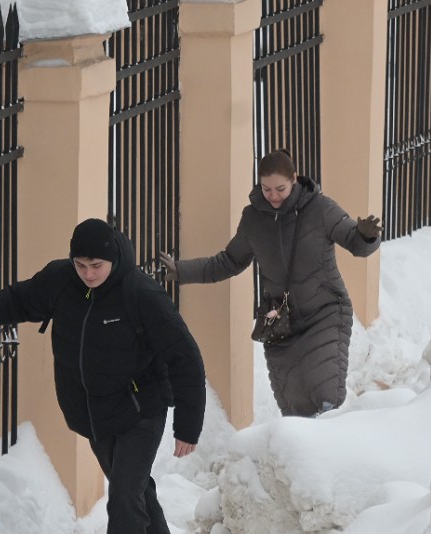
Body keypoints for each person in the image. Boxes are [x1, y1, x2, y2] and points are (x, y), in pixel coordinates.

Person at [0, 218, 205, 534]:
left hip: (141, 410)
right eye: (81, 265)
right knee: (135, 494)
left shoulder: (140, 293)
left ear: (113, 259)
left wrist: (188, 426)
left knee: (123, 497)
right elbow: (19, 300)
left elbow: (185, 356)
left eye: (96, 266)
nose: (88, 274)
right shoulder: (61, 280)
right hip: (95, 415)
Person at [161, 151, 380, 418]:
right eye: (266, 189)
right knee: (296, 411)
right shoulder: (254, 219)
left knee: (325, 397)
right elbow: (229, 260)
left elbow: (354, 242)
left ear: (294, 180)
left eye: (280, 189)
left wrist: (366, 237)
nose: (273, 196)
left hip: (325, 313)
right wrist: (183, 270)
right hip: (280, 324)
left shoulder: (321, 209)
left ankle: (336, 456)